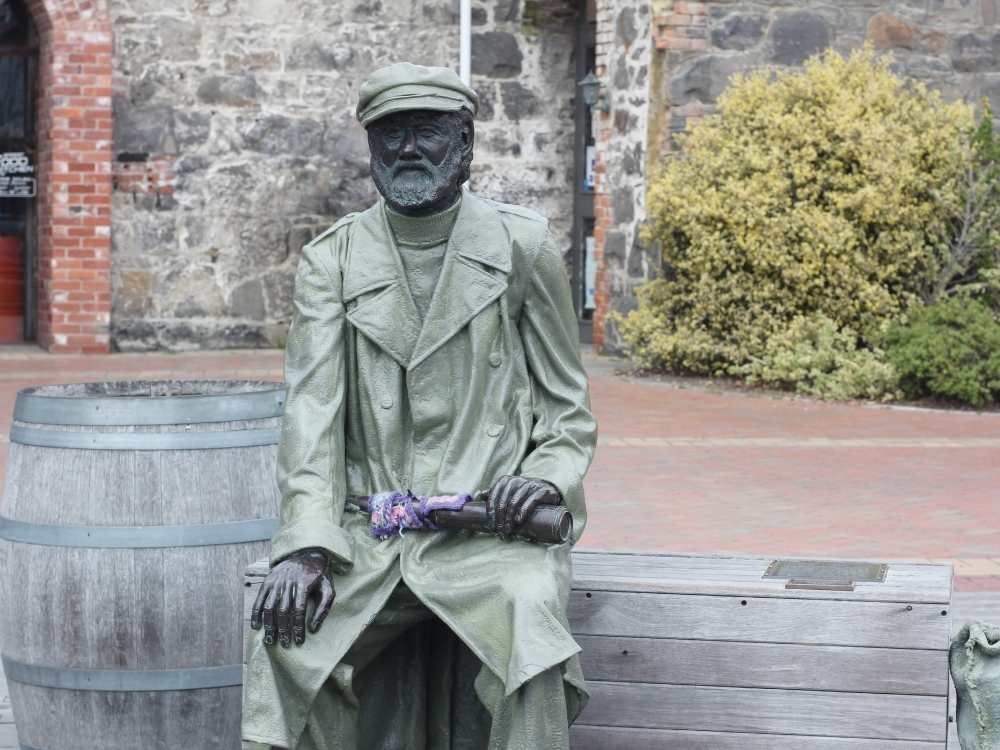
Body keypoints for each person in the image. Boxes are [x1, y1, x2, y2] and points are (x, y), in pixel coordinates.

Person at [241, 61, 598, 750]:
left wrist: (546, 479)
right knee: (283, 640)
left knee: (531, 630)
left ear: (463, 145)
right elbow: (310, 417)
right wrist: (307, 545)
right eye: (390, 133)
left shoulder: (523, 247)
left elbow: (567, 412)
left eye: (426, 132)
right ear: (371, 146)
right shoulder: (332, 261)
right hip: (369, 536)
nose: (407, 149)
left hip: (490, 534)